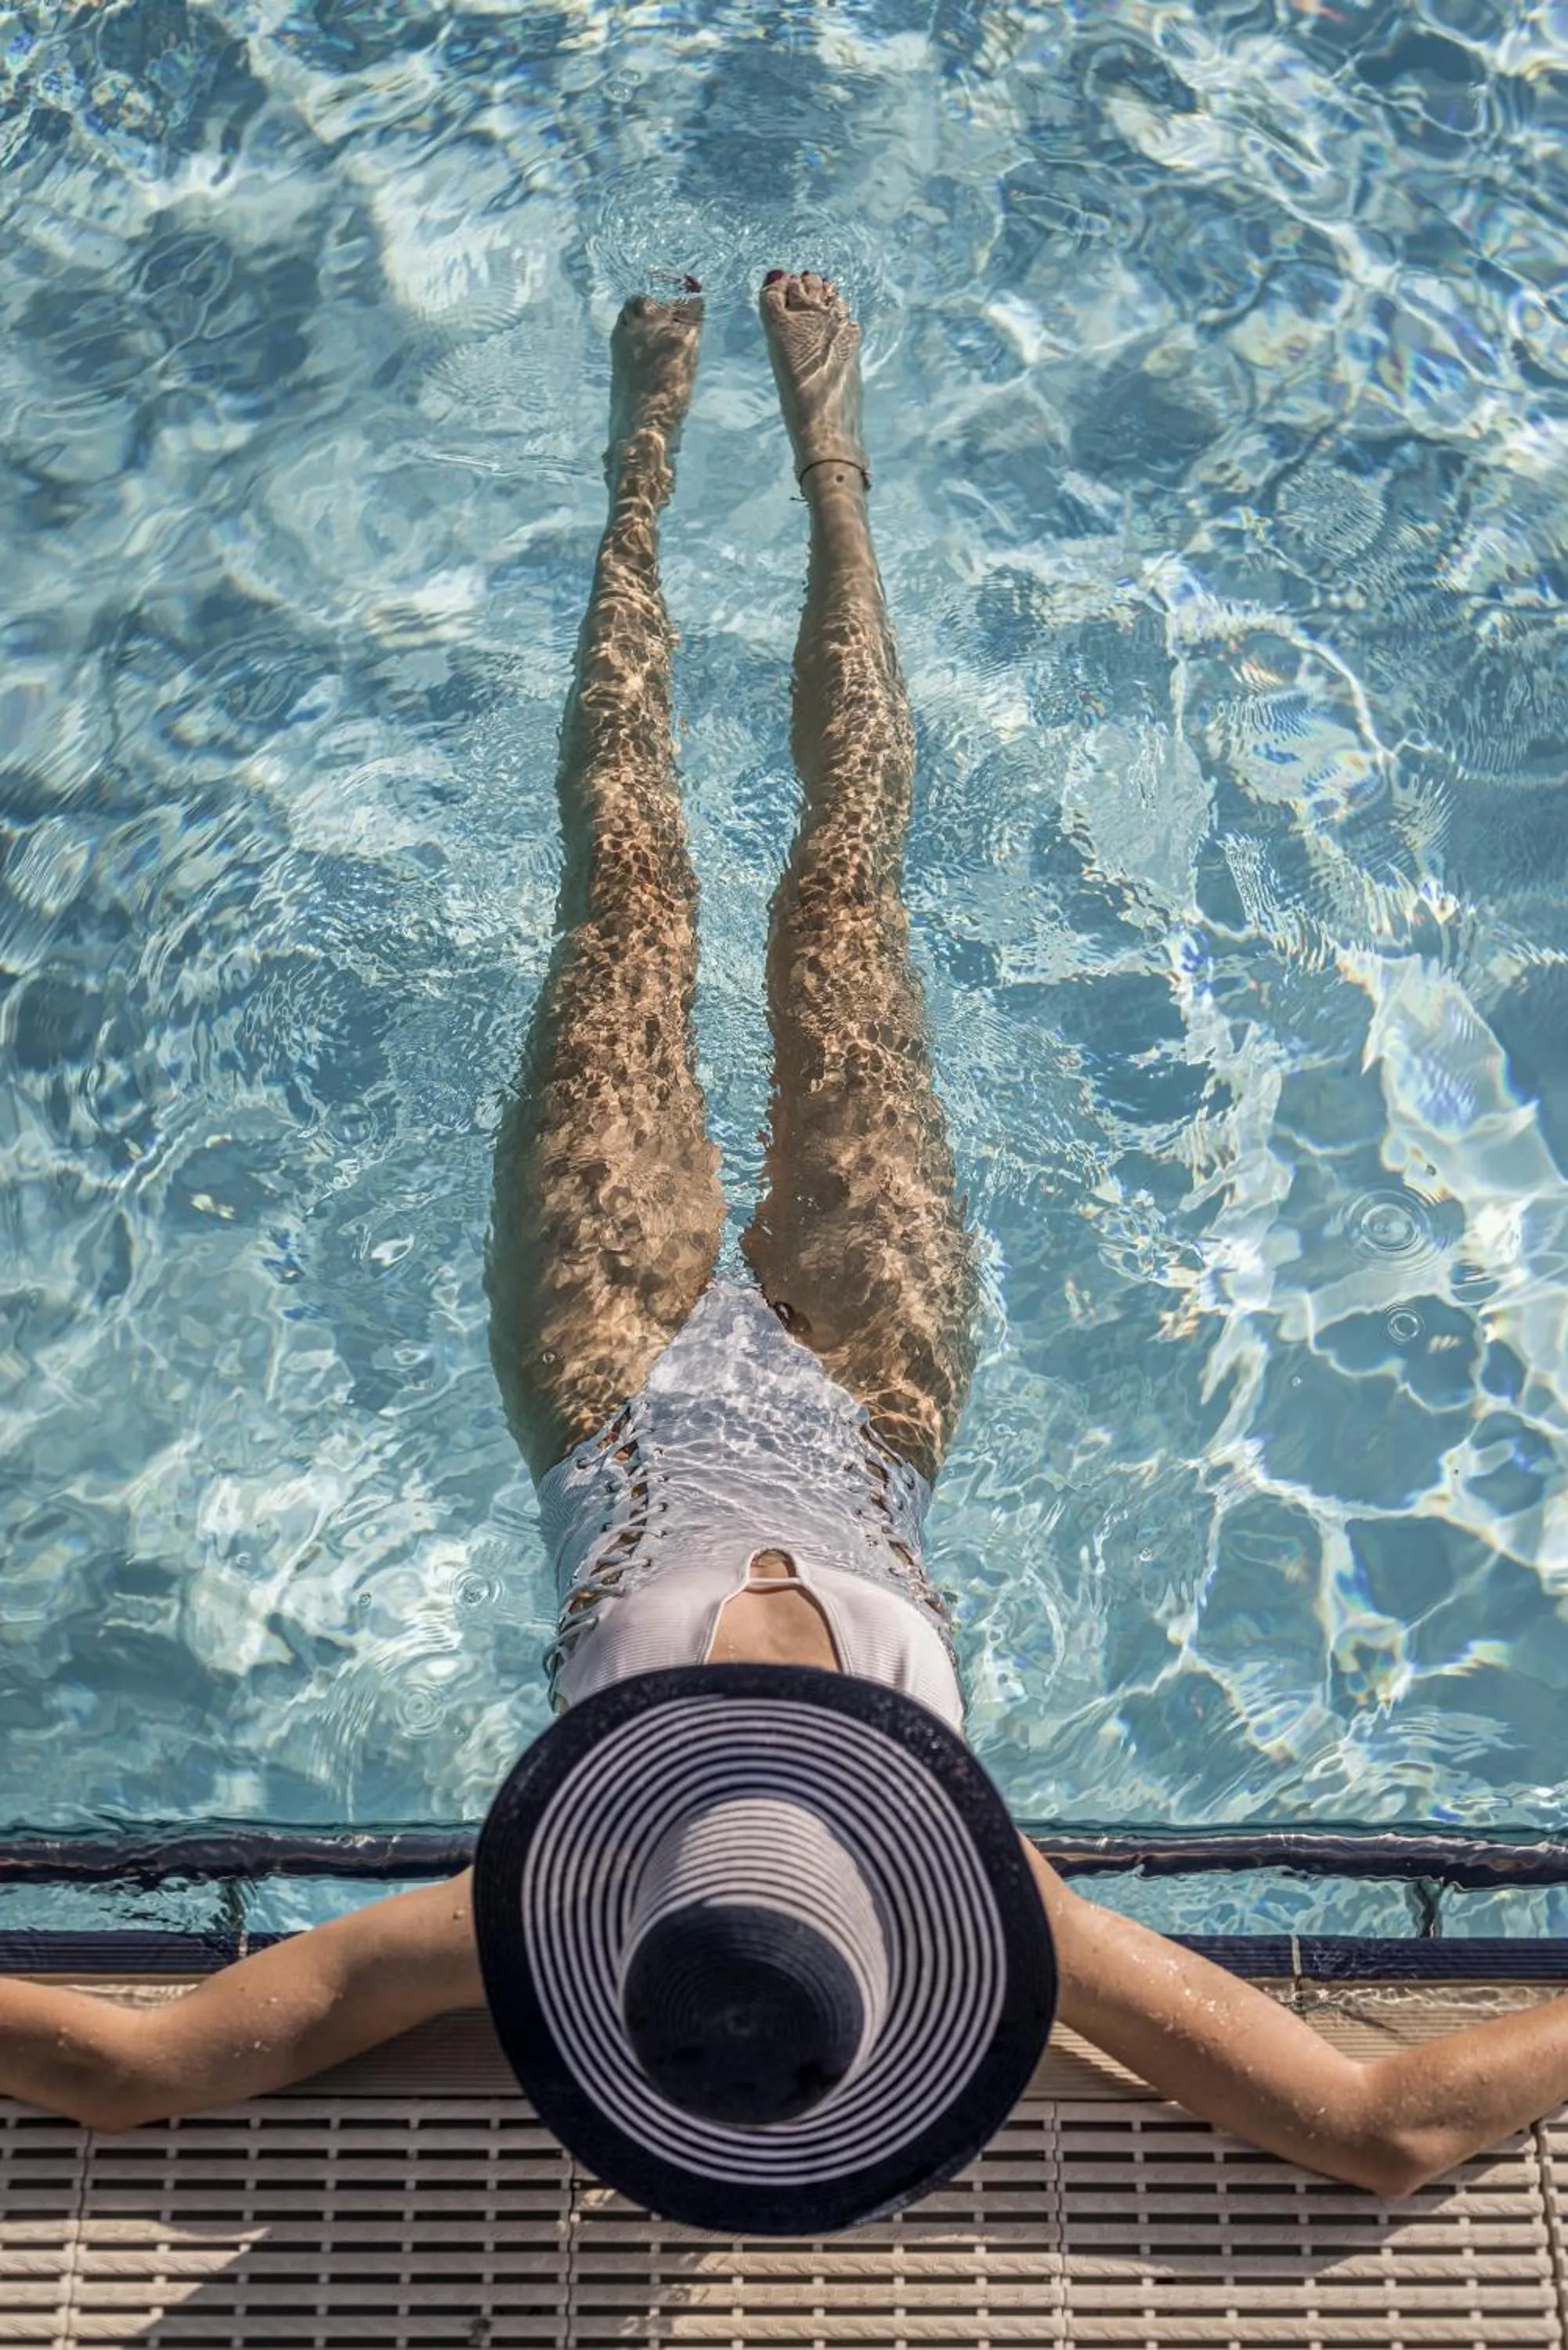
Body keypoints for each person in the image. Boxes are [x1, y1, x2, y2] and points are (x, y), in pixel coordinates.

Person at [4, 273, 1566, 2232]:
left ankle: (636, 475)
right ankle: (835, 471)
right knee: (844, 885)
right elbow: (1383, 2126)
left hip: (610, 1387)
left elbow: (130, 2071)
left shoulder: (518, 1919)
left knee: (627, 886)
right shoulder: (999, 1900)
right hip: (869, 1391)